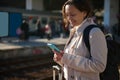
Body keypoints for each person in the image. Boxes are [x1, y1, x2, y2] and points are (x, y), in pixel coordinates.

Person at [52, 0, 108, 80]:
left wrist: (66, 58)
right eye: (67, 15)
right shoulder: (74, 31)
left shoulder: (95, 33)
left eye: (73, 15)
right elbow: (73, 65)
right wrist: (61, 59)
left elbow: (99, 66)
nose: (69, 18)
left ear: (84, 13)